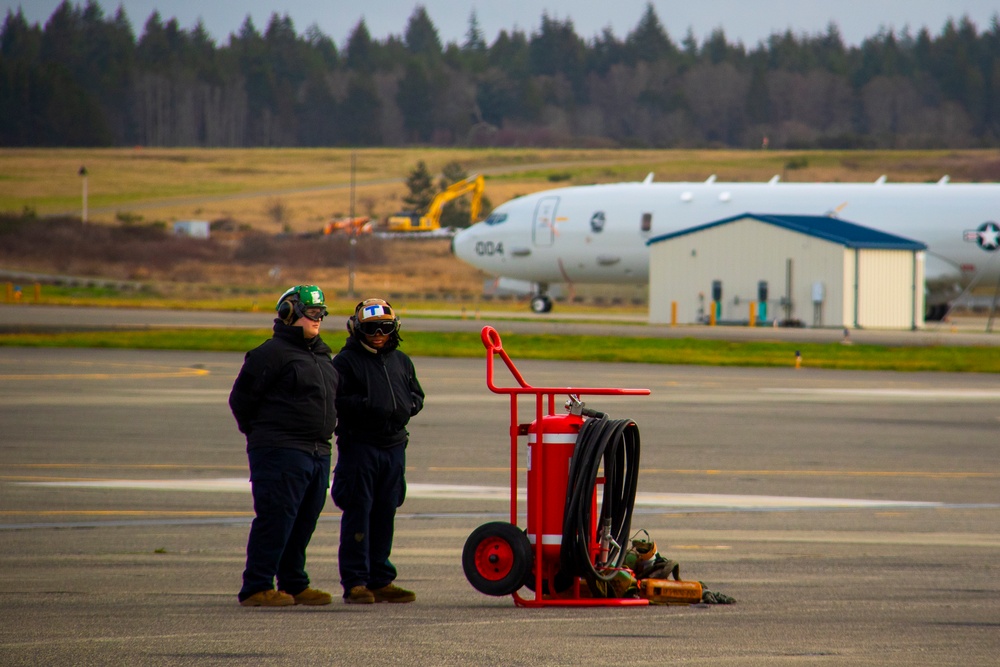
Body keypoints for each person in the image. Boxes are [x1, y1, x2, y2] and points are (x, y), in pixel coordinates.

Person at [229, 285, 339, 607]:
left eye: (321, 312)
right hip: (281, 450)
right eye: (311, 312)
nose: (318, 318)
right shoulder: (271, 354)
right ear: (289, 314)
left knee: (304, 519)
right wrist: (265, 438)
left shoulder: (321, 353)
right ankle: (257, 586)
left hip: (318, 450)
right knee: (277, 517)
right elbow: (241, 400)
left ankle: (293, 582)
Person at [332, 298, 424, 604]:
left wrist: (411, 405)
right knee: (359, 510)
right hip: (361, 446)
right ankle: (356, 581)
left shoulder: (401, 360)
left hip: (394, 446)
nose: (378, 334)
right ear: (358, 329)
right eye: (371, 329)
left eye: (384, 328)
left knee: (387, 509)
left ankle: (380, 578)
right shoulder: (345, 362)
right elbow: (338, 401)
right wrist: (370, 405)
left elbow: (415, 392)